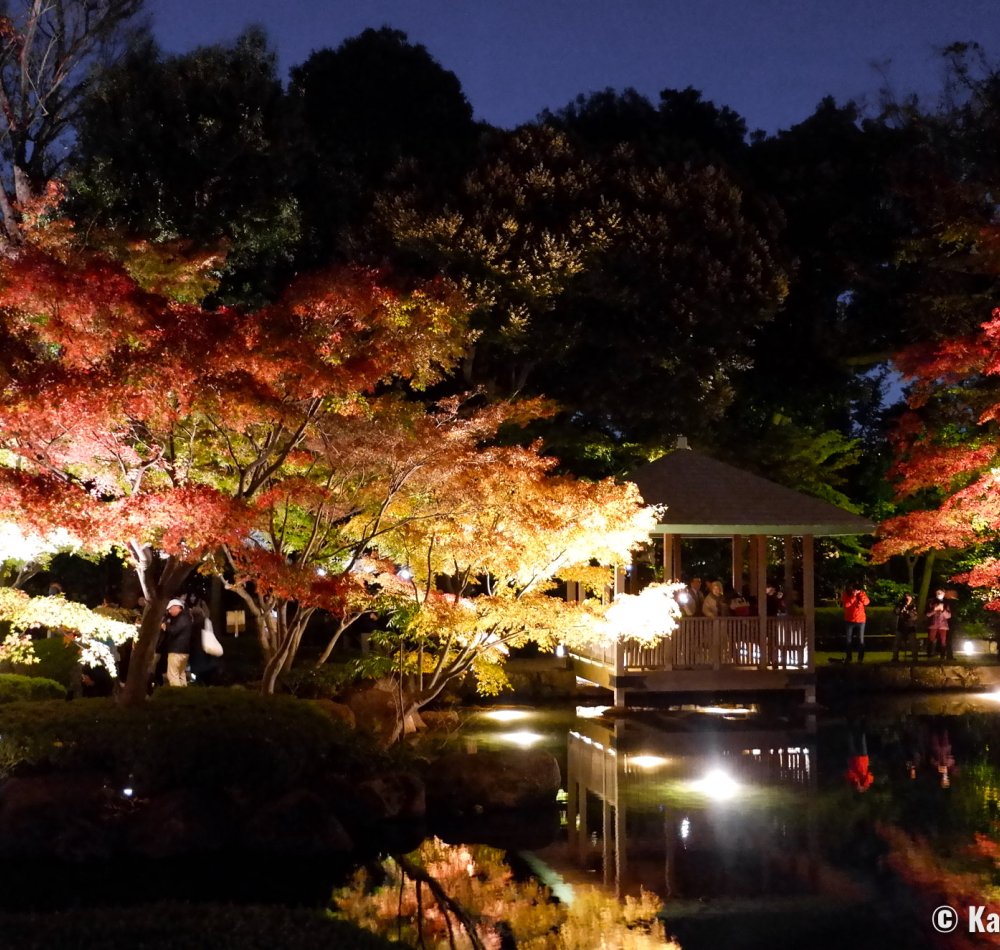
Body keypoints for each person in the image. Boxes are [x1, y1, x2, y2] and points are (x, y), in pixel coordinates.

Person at [158, 598, 192, 687]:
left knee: (173, 675)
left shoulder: (182, 618)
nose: (169, 611)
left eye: (170, 609)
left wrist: (165, 626)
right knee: (181, 675)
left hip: (176, 651)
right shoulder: (186, 617)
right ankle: (184, 694)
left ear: (177, 607)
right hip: (184, 651)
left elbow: (174, 631)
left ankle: (177, 695)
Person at [841, 582, 870, 663]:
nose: (855, 591)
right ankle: (848, 658)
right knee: (848, 640)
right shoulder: (846, 594)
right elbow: (846, 605)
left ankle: (860, 659)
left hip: (861, 620)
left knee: (861, 640)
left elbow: (867, 602)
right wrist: (853, 596)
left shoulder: (861, 593)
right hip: (849, 620)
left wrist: (860, 595)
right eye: (854, 589)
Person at [893, 592, 919, 663]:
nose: (907, 598)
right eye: (906, 596)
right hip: (901, 626)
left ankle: (915, 658)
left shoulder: (914, 605)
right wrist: (901, 609)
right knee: (897, 643)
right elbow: (896, 612)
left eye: (909, 596)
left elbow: (915, 616)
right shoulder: (901, 604)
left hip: (910, 626)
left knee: (913, 643)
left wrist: (910, 613)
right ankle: (895, 657)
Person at [926, 589, 952, 660]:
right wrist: (934, 610)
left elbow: (948, 616)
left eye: (940, 593)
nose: (939, 594)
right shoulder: (931, 602)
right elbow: (928, 614)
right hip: (933, 624)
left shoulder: (946, 603)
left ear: (943, 594)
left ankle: (942, 655)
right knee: (931, 639)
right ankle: (930, 654)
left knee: (943, 640)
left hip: (943, 625)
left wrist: (943, 610)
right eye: (937, 593)